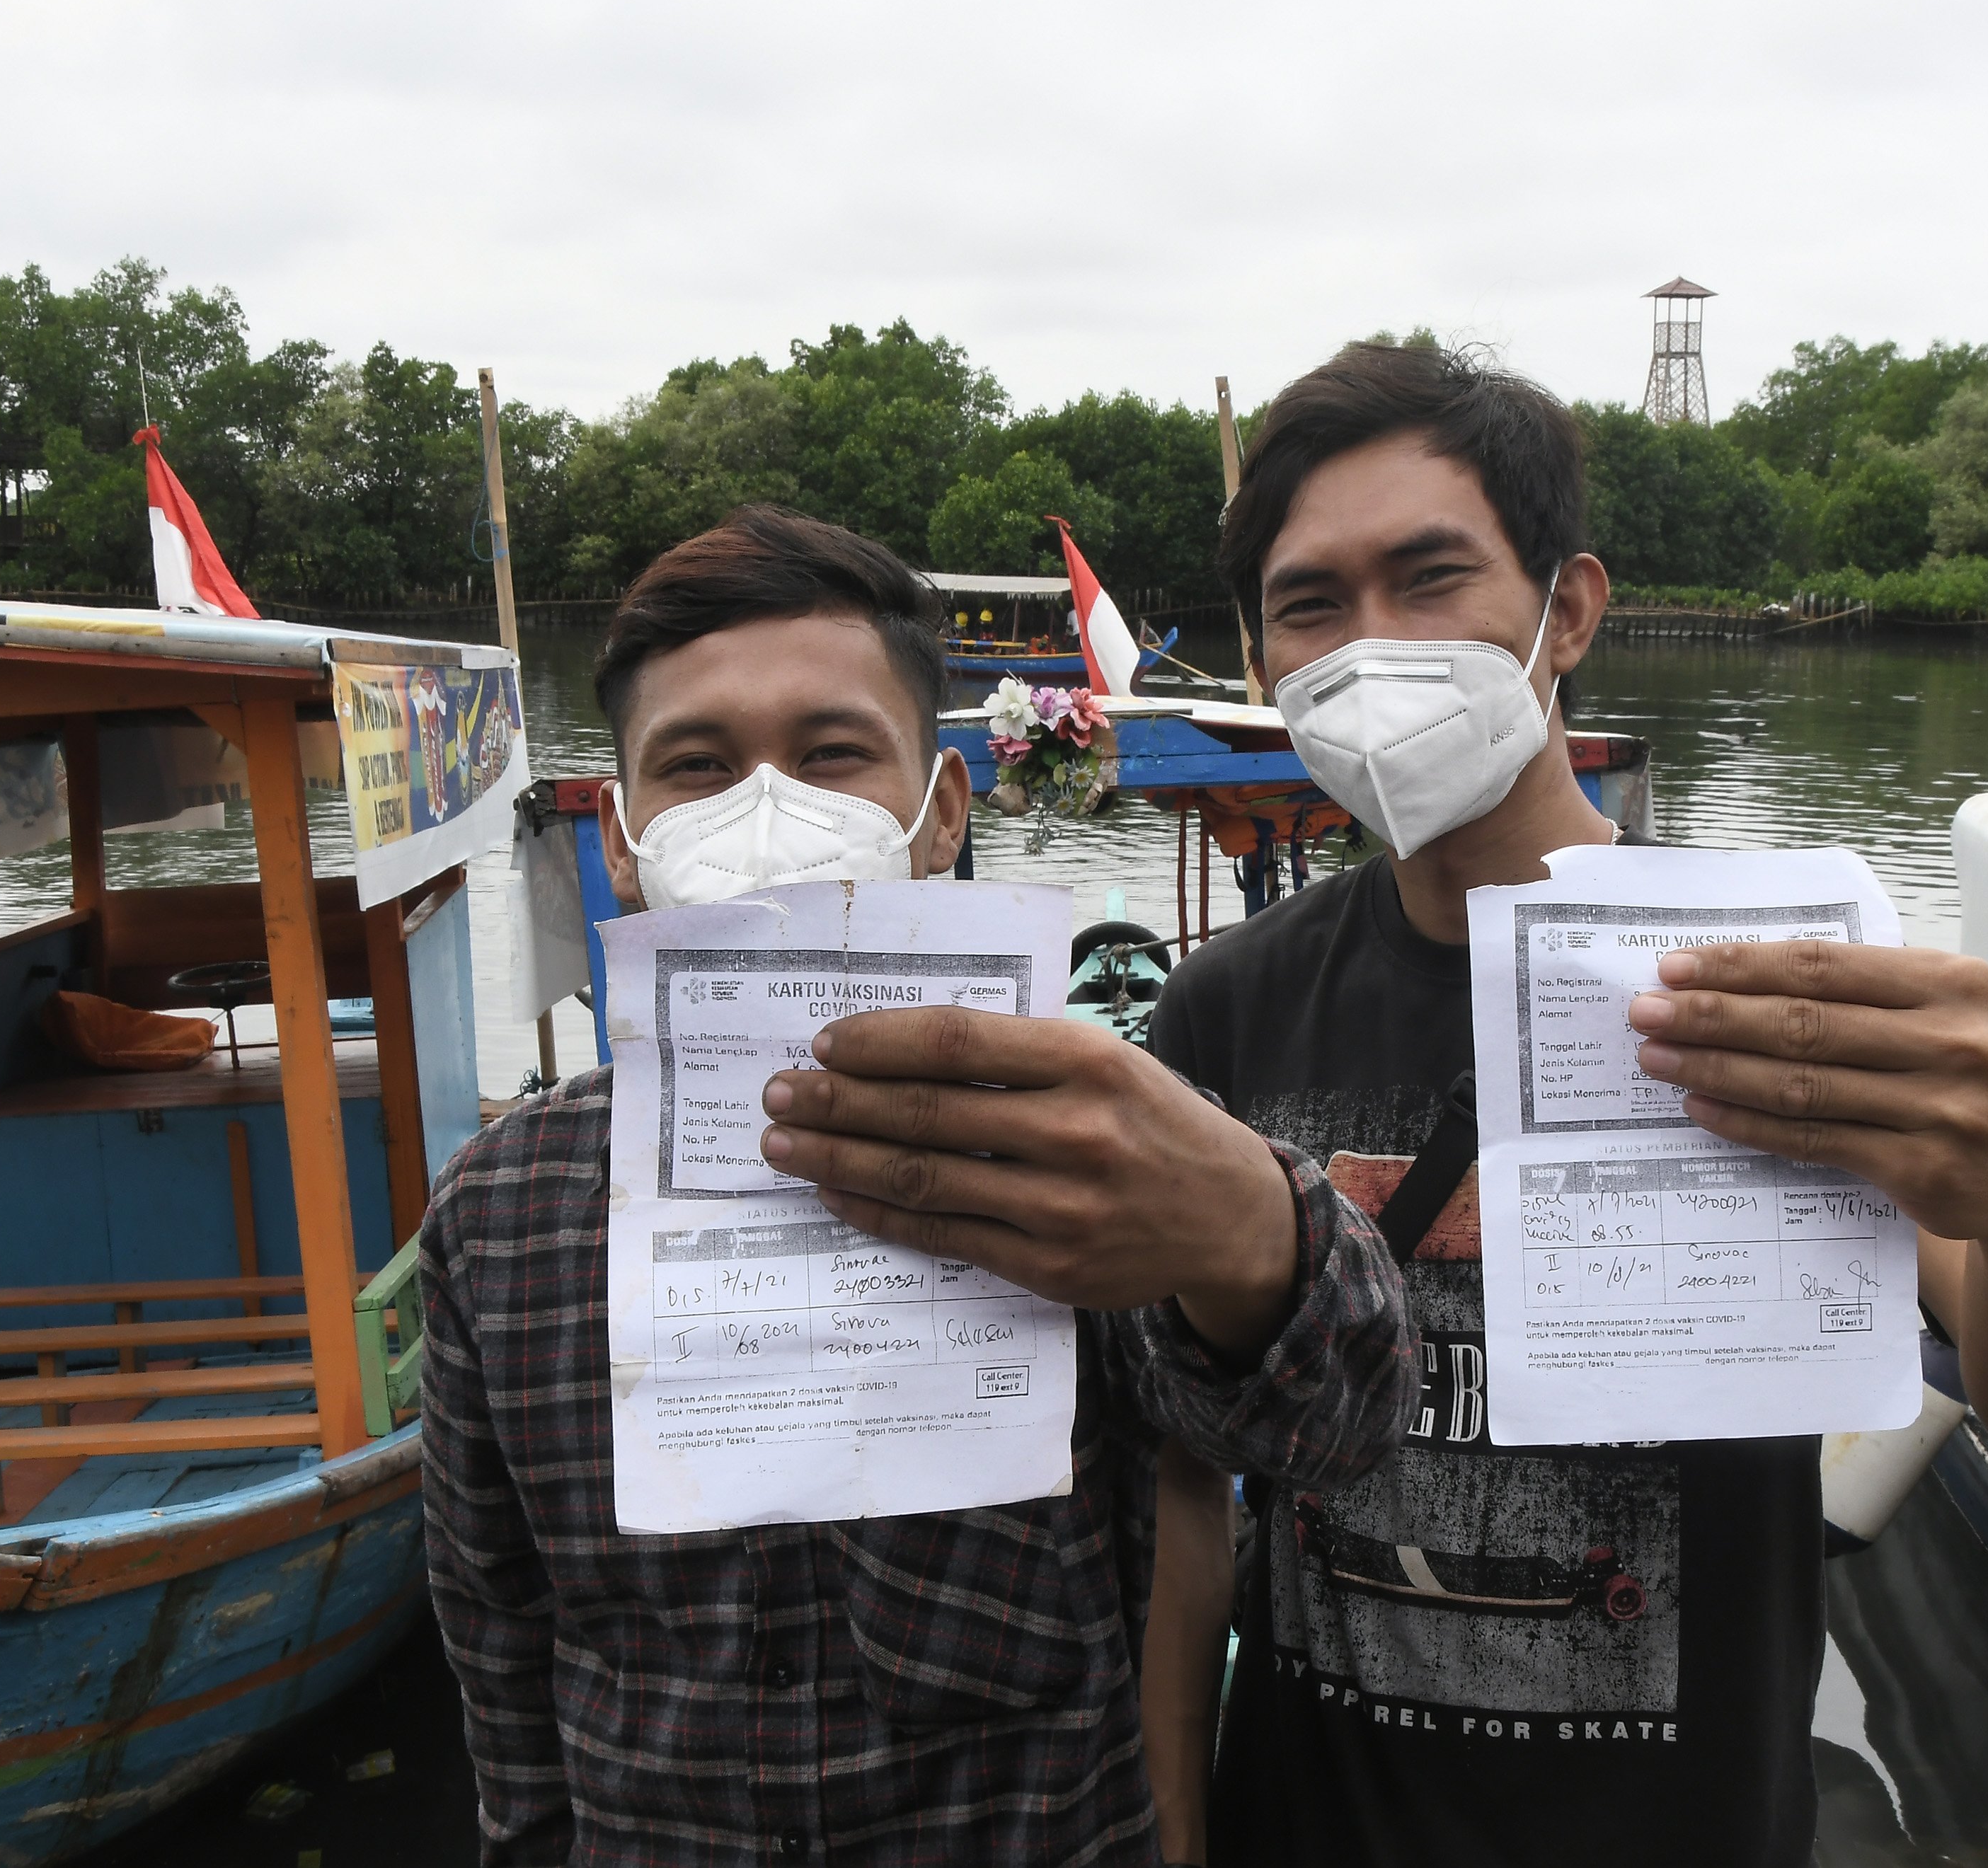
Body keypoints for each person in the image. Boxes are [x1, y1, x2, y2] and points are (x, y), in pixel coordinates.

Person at [1147, 342, 1988, 1868]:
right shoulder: (1229, 1003)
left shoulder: (1782, 983)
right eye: (1310, 604)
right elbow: (1185, 1500)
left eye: (1431, 578)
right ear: (1262, 653)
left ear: (1570, 605)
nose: (1371, 645)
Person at [418, 504, 1418, 1867]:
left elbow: (1340, 1426)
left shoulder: (1088, 1145)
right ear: (622, 836)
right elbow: (501, 1658)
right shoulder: (500, 1213)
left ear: (943, 811)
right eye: (697, 768)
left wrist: (1251, 1225)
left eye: (833, 755)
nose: (767, 810)